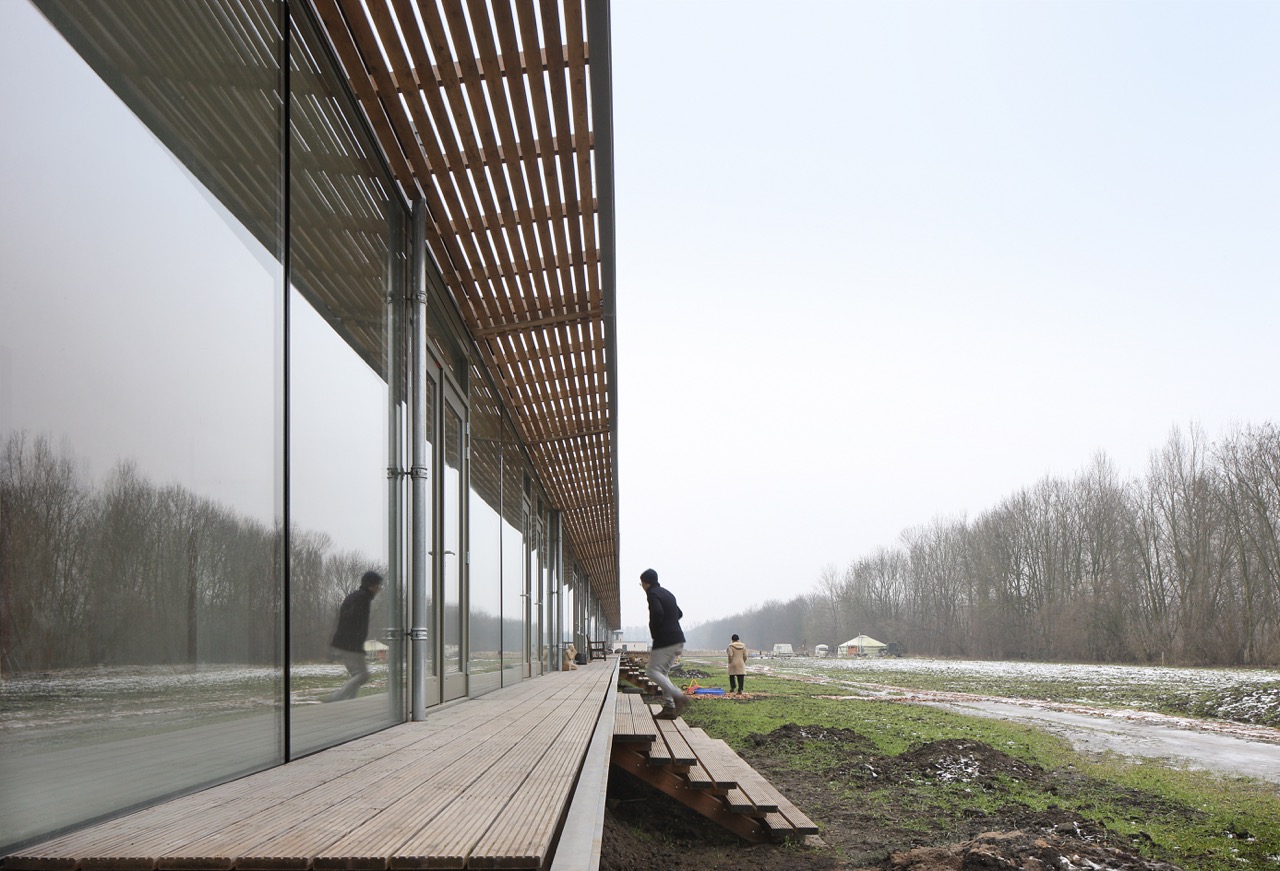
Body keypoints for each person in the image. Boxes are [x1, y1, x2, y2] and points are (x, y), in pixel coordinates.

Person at [325, 570, 383, 702]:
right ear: (370, 585)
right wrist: (356, 643)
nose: (378, 589)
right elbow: (353, 620)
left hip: (345, 642)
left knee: (357, 675)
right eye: (377, 586)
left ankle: (349, 701)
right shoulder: (362, 598)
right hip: (350, 644)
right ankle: (336, 698)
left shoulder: (357, 596)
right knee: (362, 675)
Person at [639, 568, 689, 719]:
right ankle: (669, 708)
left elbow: (657, 613)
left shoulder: (653, 594)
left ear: (646, 583)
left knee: (651, 671)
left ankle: (678, 695)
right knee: (662, 673)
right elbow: (679, 613)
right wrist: (670, 624)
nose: (642, 587)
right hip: (678, 639)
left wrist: (656, 632)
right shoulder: (668, 593)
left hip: (665, 640)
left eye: (641, 584)